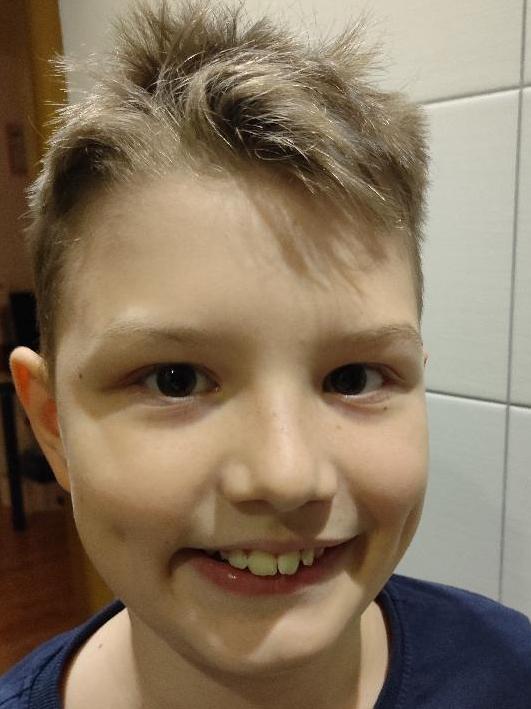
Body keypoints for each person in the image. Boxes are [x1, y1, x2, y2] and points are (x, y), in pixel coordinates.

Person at [2, 1, 530, 707]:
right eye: (174, 379)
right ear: (52, 424)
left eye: (352, 377)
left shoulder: (512, 670)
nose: (286, 477)